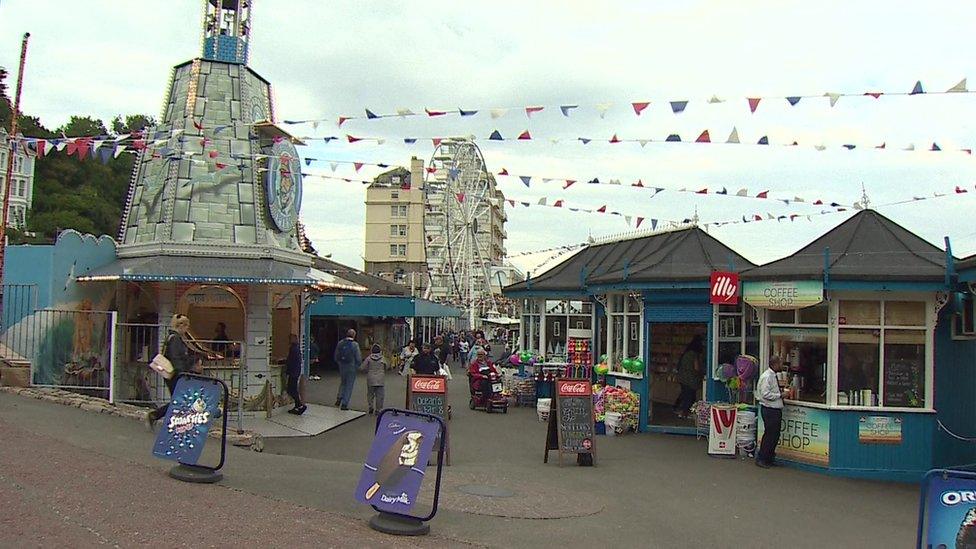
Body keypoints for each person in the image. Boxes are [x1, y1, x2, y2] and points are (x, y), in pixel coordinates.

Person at [145, 314, 201, 429]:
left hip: (173, 373)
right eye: (186, 326)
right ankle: (156, 415)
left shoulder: (172, 337)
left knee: (179, 399)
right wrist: (184, 372)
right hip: (176, 374)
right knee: (180, 400)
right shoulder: (175, 339)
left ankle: (159, 417)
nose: (187, 330)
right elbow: (176, 358)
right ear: (181, 326)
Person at [756, 356, 792, 468]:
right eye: (780, 363)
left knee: (774, 435)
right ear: (775, 364)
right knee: (770, 435)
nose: (782, 366)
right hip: (769, 409)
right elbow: (765, 394)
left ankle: (769, 457)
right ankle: (762, 458)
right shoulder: (767, 377)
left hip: (774, 409)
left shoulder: (772, 376)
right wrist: (780, 395)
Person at [674, 335, 704, 419]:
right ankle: (685, 412)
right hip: (691, 379)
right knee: (689, 396)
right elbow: (696, 367)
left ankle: (679, 409)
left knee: (685, 394)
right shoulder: (694, 355)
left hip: (682, 377)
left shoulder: (686, 353)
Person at [334, 329, 362, 410]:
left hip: (342, 366)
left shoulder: (340, 343)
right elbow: (358, 357)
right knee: (349, 385)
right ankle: (344, 404)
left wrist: (339, 363)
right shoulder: (355, 345)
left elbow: (336, 355)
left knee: (343, 382)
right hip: (351, 366)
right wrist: (358, 365)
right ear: (354, 335)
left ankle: (339, 398)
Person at [360, 344, 387, 414]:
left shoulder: (368, 358)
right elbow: (387, 366)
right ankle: (378, 409)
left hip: (370, 378)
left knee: (370, 394)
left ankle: (371, 406)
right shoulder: (383, 358)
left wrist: (367, 370)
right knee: (380, 395)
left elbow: (362, 367)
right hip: (380, 379)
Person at [285, 333, 306, 415]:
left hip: (293, 372)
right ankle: (298, 405)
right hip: (296, 371)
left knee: (291, 389)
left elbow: (290, 361)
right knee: (293, 388)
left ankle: (299, 404)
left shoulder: (293, 349)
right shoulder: (297, 348)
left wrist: (287, 371)